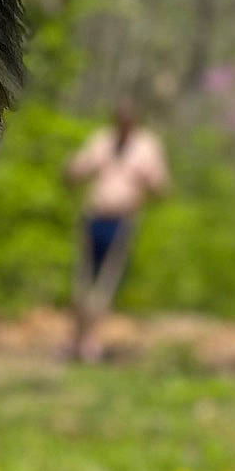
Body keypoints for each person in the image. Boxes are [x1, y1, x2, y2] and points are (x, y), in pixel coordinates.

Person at [63, 99, 170, 361]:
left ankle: (90, 343)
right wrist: (73, 169)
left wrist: (146, 180)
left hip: (121, 222)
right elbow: (75, 171)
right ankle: (75, 341)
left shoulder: (147, 147)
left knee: (104, 285)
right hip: (93, 217)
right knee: (82, 283)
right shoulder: (102, 141)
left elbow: (161, 188)